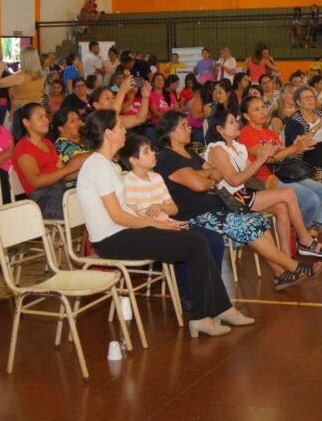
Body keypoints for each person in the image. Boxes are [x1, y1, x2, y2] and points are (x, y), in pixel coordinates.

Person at [75, 111, 244, 338]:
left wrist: (163, 224)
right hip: (112, 240)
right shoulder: (98, 166)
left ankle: (219, 307)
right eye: (120, 127)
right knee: (194, 243)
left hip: (123, 233)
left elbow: (126, 212)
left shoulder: (105, 164)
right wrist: (161, 226)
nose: (125, 130)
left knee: (200, 239)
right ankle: (201, 316)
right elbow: (119, 217)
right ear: (108, 133)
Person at [154, 112, 322, 293]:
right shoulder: (167, 158)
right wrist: (205, 176)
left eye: (188, 125)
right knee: (248, 224)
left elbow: (216, 173)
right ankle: (293, 266)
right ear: (170, 132)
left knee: (258, 220)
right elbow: (200, 185)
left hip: (216, 206)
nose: (189, 129)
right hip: (195, 215)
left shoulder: (190, 154)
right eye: (183, 126)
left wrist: (204, 175)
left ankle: (280, 274)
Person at [204, 111, 322, 256]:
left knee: (282, 207)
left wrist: (270, 154)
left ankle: (286, 256)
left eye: (235, 121)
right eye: (231, 122)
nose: (237, 124)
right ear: (220, 129)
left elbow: (250, 173)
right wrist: (261, 159)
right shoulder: (217, 149)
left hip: (243, 193)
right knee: (288, 193)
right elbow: (234, 181)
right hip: (229, 198)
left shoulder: (237, 146)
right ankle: (305, 240)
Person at [239, 95, 322, 237]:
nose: (263, 111)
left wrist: (298, 147)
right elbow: (269, 159)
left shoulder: (269, 132)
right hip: (264, 179)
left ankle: (311, 232)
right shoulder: (246, 133)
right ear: (246, 116)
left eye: (263, 107)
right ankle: (303, 235)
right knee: (311, 199)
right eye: (256, 109)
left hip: (284, 173)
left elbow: (283, 155)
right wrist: (294, 147)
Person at [11, 103, 87, 219]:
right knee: (90, 208)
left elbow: (65, 175)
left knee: (94, 199)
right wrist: (68, 168)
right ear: (27, 122)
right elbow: (36, 182)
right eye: (40, 117)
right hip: (44, 200)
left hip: (61, 190)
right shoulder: (23, 149)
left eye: (45, 116)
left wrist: (84, 169)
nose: (46, 120)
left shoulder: (47, 143)